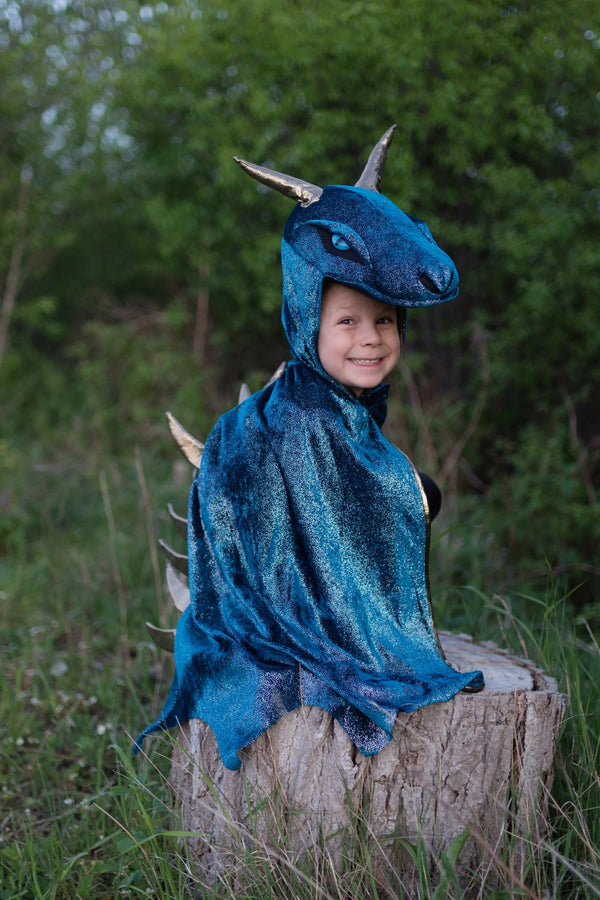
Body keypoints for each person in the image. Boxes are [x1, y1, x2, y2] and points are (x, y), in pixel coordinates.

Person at [136, 127, 484, 771]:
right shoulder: (301, 419)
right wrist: (413, 492)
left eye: (385, 321)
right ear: (306, 319)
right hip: (280, 635)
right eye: (347, 321)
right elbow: (342, 522)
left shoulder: (336, 405)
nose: (371, 339)